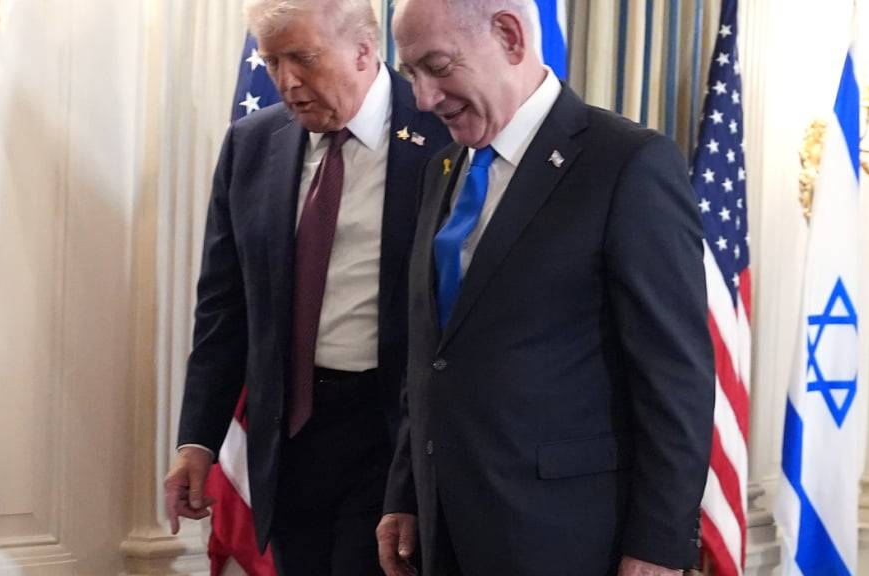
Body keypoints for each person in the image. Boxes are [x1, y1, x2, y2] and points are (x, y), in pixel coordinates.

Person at [376, 1, 715, 575]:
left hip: (567, 537)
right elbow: (434, 355)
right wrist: (407, 492)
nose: (425, 98)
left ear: (509, 36)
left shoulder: (626, 164)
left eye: (436, 66)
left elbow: (675, 378)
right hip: (445, 530)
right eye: (411, 73)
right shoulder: (444, 168)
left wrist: (659, 544)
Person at [163, 0, 450, 574]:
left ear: (365, 50)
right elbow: (224, 308)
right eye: (272, 63)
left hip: (392, 435)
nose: (286, 82)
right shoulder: (252, 143)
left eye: (303, 58)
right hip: (288, 437)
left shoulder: (442, 134)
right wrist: (196, 439)